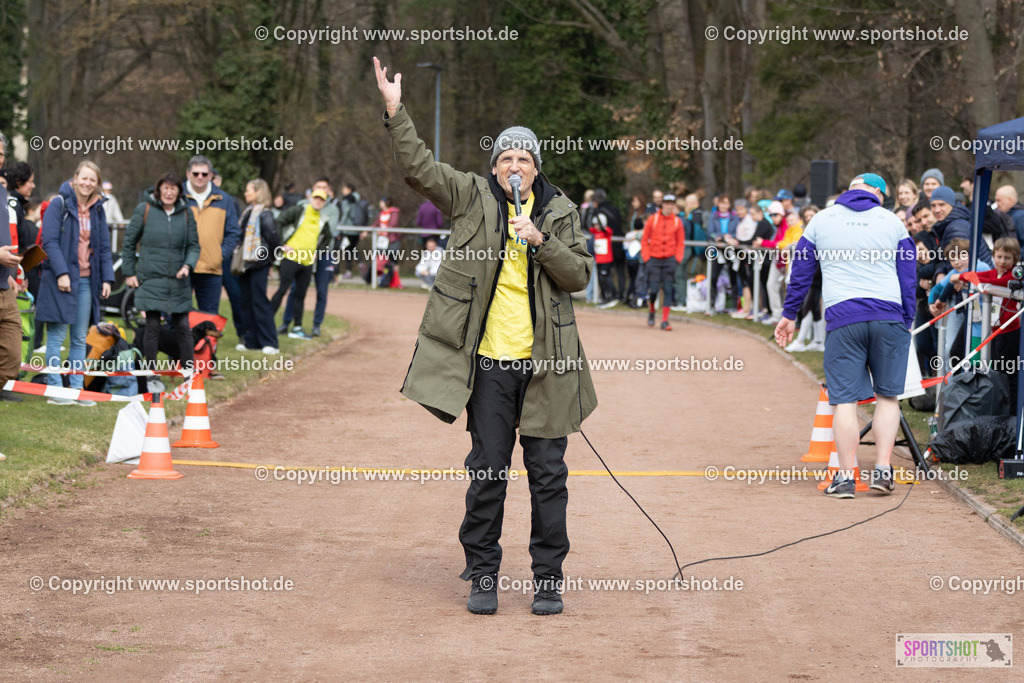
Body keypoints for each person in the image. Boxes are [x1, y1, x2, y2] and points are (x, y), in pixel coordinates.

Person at [375, 56, 596, 616]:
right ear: (494, 166)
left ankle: (547, 577)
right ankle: (482, 570)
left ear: (536, 166)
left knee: (548, 475)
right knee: (489, 471)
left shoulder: (560, 211)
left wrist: (540, 238)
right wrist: (396, 111)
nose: (514, 166)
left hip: (548, 366)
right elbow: (419, 169)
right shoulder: (470, 195)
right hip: (490, 366)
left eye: (523, 158)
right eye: (505, 158)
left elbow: (579, 276)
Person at [775, 172, 915, 498]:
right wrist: (906, 319)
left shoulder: (821, 220)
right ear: (879, 194)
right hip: (888, 314)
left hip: (843, 317)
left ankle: (845, 477)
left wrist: (789, 315)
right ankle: (882, 469)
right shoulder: (893, 222)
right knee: (888, 396)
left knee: (845, 402)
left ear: (848, 191)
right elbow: (907, 275)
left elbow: (801, 273)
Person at [37, 161, 115, 406]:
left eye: (93, 180)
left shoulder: (98, 209)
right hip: (60, 280)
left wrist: (106, 278)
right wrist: (61, 273)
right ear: (75, 178)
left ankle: (77, 390)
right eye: (84, 178)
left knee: (81, 337)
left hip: (85, 281)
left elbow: (103, 248)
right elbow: (49, 242)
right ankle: (56, 390)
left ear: (97, 184)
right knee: (57, 336)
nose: (88, 183)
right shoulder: (58, 204)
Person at [121, 172, 200, 380]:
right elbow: (129, 243)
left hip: (178, 281)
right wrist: (129, 273)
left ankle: (189, 374)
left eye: (173, 188)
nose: (169, 192)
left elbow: (194, 245)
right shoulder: (144, 209)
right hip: (151, 279)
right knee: (152, 327)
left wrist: (187, 265)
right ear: (159, 189)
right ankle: (151, 374)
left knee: (183, 327)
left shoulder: (186, 213)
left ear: (179, 192)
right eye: (165, 187)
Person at [183, 155, 240, 315]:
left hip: (211, 269)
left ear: (210, 175)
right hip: (181, 268)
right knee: (176, 318)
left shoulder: (224, 199)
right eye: (195, 173)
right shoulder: (177, 197)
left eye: (204, 174)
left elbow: (233, 232)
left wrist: (220, 254)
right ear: (188, 174)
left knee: (209, 319)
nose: (200, 177)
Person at [271, 189, 332, 339]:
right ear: (311, 198)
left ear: (324, 202)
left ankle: (297, 327)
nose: (318, 201)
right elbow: (279, 221)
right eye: (316, 198)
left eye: (321, 199)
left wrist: (318, 252)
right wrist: (282, 244)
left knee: (300, 295)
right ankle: (267, 320)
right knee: (283, 289)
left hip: (307, 262)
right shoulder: (299, 210)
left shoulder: (323, 219)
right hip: (290, 258)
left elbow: (328, 239)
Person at [282, 177, 339, 337]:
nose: (322, 189)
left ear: (329, 191)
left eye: (324, 187)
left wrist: (317, 250)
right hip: (302, 254)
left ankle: (316, 326)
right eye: (318, 187)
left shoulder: (333, 210)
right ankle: (287, 323)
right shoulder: (302, 205)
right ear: (312, 190)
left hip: (323, 253)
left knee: (321, 290)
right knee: (296, 289)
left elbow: (329, 231)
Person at [235, 179, 281, 353]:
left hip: (259, 263)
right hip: (245, 264)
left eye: (249, 190)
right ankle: (250, 341)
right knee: (246, 302)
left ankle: (270, 342)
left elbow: (273, 239)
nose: (246, 193)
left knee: (259, 302)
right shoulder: (247, 212)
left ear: (258, 192)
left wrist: (271, 260)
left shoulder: (265, 214)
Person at [0, 133, 25, 426]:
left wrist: (10, 273)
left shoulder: (2, 192)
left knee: (11, 361)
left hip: (5, 288)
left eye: (2, 153)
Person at [640, 192, 685, 330]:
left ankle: (665, 320)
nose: (668, 206)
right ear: (662, 204)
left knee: (667, 289)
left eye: (671, 204)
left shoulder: (677, 221)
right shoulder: (653, 219)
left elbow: (680, 242)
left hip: (670, 260)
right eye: (666, 203)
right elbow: (644, 239)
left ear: (674, 205)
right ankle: (652, 311)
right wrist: (647, 257)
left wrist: (677, 258)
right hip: (653, 259)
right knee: (653, 290)